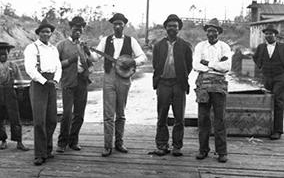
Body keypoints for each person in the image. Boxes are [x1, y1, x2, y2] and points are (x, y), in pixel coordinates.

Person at [90, 13, 147, 157]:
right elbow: (95, 57)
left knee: (120, 113)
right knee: (108, 114)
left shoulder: (131, 40)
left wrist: (131, 62)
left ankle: (119, 143)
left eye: (120, 23)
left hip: (124, 78)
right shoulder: (105, 40)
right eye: (115, 23)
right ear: (112, 25)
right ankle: (107, 145)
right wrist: (87, 52)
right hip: (109, 77)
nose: (117, 26)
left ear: (124, 25)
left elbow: (143, 57)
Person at [152, 14, 192, 156]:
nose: (172, 28)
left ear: (178, 28)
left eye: (175, 26)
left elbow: (189, 65)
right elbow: (155, 64)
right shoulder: (158, 45)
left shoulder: (185, 46)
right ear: (165, 28)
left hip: (178, 84)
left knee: (179, 117)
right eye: (169, 26)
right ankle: (162, 145)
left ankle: (177, 146)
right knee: (161, 116)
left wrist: (182, 77)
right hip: (163, 84)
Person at [24, 19, 62, 166]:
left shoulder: (53, 49)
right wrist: (44, 81)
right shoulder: (32, 48)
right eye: (43, 31)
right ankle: (39, 154)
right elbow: (30, 69)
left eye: (49, 31)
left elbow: (58, 66)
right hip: (39, 84)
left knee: (52, 119)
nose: (46, 34)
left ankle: (47, 149)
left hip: (52, 82)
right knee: (39, 121)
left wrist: (56, 80)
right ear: (38, 33)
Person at [193, 18, 231, 163]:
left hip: (219, 86)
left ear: (218, 32)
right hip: (203, 85)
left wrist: (208, 63)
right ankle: (203, 150)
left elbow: (226, 67)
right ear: (206, 32)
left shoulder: (224, 47)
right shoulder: (200, 46)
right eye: (209, 30)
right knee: (203, 118)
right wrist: (216, 65)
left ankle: (222, 152)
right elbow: (196, 65)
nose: (211, 33)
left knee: (220, 119)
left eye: (214, 31)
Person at [56, 16, 94, 153]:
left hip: (82, 82)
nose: (78, 31)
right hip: (68, 82)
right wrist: (70, 61)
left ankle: (73, 141)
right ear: (70, 29)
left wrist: (88, 53)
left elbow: (91, 63)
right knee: (66, 114)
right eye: (76, 29)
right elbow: (56, 65)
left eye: (81, 29)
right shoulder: (62, 45)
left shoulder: (84, 45)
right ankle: (62, 142)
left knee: (79, 114)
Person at [0, 42, 29, 151]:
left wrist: (21, 92)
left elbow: (20, 80)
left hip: (10, 94)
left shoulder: (14, 66)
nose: (3, 56)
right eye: (0, 54)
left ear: (8, 54)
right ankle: (3, 140)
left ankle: (19, 141)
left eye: (5, 54)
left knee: (15, 118)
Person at [253, 24, 284, 140]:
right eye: (266, 34)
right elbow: (255, 58)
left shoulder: (282, 47)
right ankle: (267, 127)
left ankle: (278, 130)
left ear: (275, 35)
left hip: (280, 77)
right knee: (267, 101)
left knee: (278, 101)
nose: (268, 36)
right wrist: (261, 67)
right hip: (267, 78)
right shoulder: (261, 47)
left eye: (271, 34)